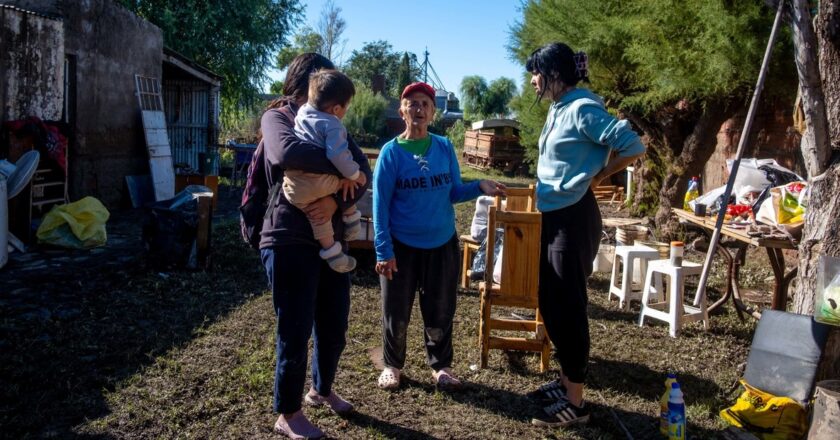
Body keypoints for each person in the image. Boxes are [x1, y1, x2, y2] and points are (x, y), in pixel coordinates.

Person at [522, 43, 646, 428]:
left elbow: (632, 144)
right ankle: (564, 382)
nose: (532, 81)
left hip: (574, 217)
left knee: (568, 305)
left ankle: (575, 404)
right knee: (550, 300)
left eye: (536, 73)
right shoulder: (560, 108)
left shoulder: (581, 108)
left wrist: (597, 177)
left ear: (553, 75)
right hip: (556, 215)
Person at [260, 53, 372, 440]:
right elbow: (287, 154)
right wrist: (340, 174)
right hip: (289, 237)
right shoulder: (277, 118)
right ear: (304, 82)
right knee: (294, 328)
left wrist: (335, 202)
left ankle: (321, 390)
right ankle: (287, 414)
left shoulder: (334, 122)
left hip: (331, 238)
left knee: (334, 323)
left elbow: (363, 170)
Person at [372, 82, 506, 391]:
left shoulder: (444, 147)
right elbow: (380, 207)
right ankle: (393, 366)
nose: (418, 109)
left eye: (424, 104)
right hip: (402, 247)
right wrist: (383, 250)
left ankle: (441, 367)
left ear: (433, 112)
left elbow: (454, 191)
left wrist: (478, 186)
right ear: (401, 110)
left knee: (441, 308)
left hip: (442, 244)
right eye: (412, 103)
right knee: (396, 311)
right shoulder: (391, 154)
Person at [286, 69, 365, 273]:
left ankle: (332, 252)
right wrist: (354, 174)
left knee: (316, 215)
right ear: (337, 108)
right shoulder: (333, 125)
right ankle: (352, 219)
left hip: (294, 188)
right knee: (347, 183)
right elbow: (338, 156)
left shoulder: (302, 112)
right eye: (346, 107)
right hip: (317, 182)